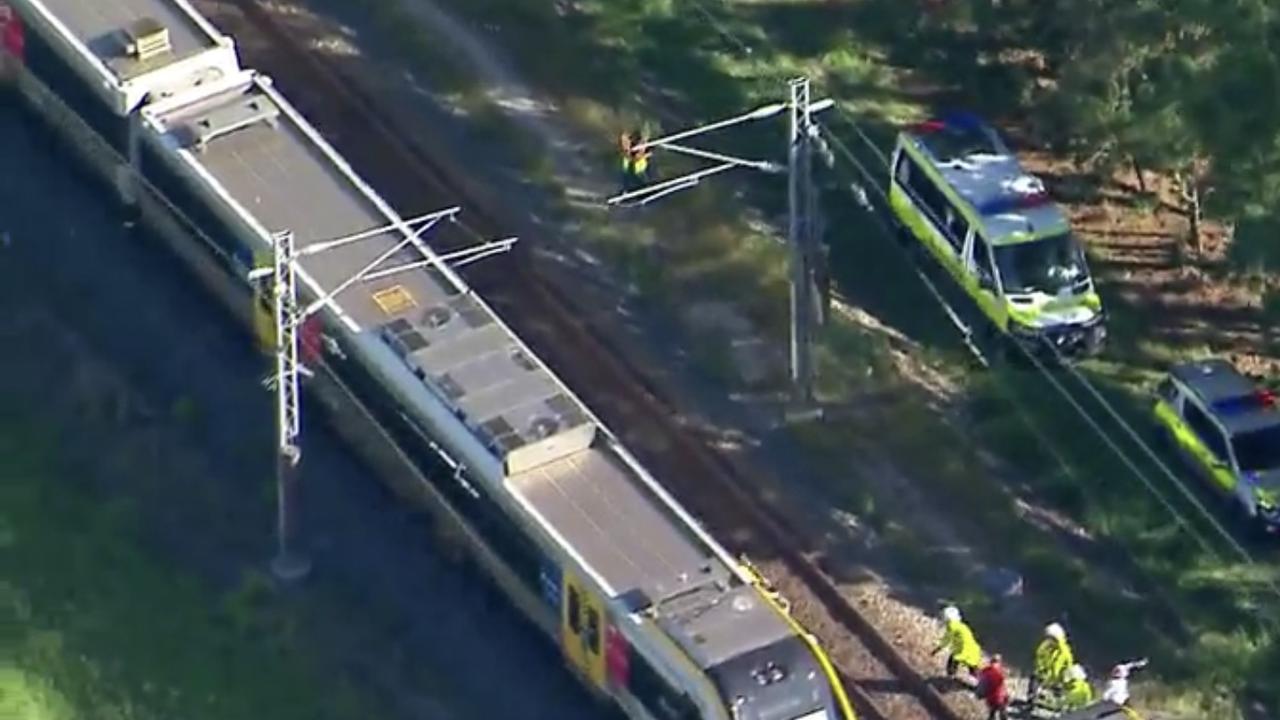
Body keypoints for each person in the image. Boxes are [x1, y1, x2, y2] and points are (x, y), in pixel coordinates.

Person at [932, 605, 983, 681]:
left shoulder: (952, 626)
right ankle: (983, 683)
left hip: (963, 650)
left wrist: (938, 648)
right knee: (973, 667)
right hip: (973, 650)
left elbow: (947, 639)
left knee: (953, 661)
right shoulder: (961, 625)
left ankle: (951, 677)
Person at [1028, 622, 1074, 705]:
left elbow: (1068, 665)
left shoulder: (1064, 651)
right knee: (1034, 678)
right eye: (1049, 637)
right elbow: (1039, 656)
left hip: (1058, 678)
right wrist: (1041, 669)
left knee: (1059, 690)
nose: (1050, 640)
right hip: (1045, 673)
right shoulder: (1045, 646)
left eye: (1052, 638)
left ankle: (1060, 704)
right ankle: (1032, 697)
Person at [975, 654, 1010, 720]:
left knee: (992, 712)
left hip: (991, 699)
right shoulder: (1002, 671)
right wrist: (1007, 696)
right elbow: (1005, 685)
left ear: (991, 661)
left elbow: (982, 685)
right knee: (1003, 713)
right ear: (999, 662)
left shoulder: (986, 672)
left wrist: (979, 695)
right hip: (1001, 698)